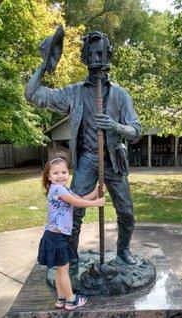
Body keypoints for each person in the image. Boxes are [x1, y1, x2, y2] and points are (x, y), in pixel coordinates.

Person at [26, 28, 141, 266]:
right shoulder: (74, 93)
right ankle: (72, 257)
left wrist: (115, 126)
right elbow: (32, 94)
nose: (96, 59)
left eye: (100, 53)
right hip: (88, 159)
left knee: (126, 212)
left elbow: (136, 131)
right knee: (74, 210)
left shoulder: (120, 95)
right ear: (83, 57)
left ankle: (123, 252)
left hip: (113, 160)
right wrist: (44, 65)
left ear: (108, 55)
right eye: (91, 54)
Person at [38, 152, 105, 310]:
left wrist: (96, 192)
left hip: (55, 236)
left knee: (60, 269)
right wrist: (97, 203)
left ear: (68, 173)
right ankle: (71, 300)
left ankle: (60, 299)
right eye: (55, 173)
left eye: (64, 172)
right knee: (63, 270)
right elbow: (77, 202)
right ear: (49, 176)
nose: (60, 176)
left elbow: (81, 198)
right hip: (55, 237)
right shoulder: (57, 190)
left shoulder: (63, 189)